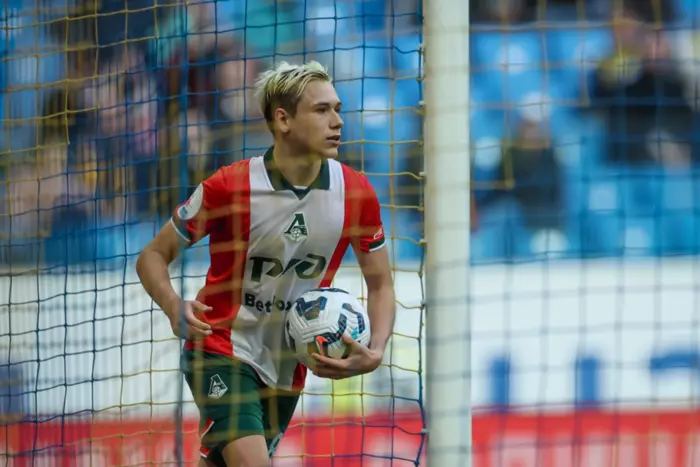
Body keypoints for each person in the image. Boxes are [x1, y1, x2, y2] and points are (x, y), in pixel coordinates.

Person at [135, 60, 396, 467]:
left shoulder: (356, 193)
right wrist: (172, 305)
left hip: (289, 364)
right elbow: (152, 255)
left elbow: (381, 285)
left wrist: (376, 350)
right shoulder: (230, 185)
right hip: (220, 347)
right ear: (283, 119)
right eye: (321, 110)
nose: (337, 121)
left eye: (338, 109)